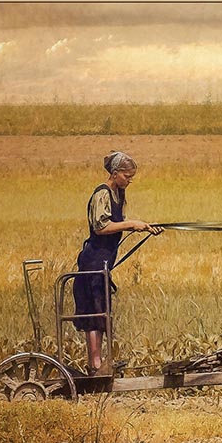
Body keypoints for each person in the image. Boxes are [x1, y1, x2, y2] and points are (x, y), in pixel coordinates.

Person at [72, 151, 162, 376]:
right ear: (115, 173)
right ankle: (95, 365)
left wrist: (147, 227)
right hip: (92, 261)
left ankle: (99, 363)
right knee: (93, 315)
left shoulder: (119, 193)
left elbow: (120, 223)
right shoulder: (102, 194)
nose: (129, 180)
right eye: (127, 176)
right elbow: (101, 227)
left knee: (102, 313)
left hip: (104, 262)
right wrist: (131, 224)